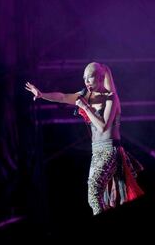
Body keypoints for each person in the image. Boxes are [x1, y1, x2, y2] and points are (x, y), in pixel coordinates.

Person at [25, 62, 144, 215]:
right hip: (97, 153)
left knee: (94, 194)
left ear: (101, 78)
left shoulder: (111, 98)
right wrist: (42, 94)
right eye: (84, 78)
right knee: (109, 198)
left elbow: (103, 127)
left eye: (90, 77)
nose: (86, 81)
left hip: (110, 151)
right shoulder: (85, 96)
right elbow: (62, 97)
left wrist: (85, 107)